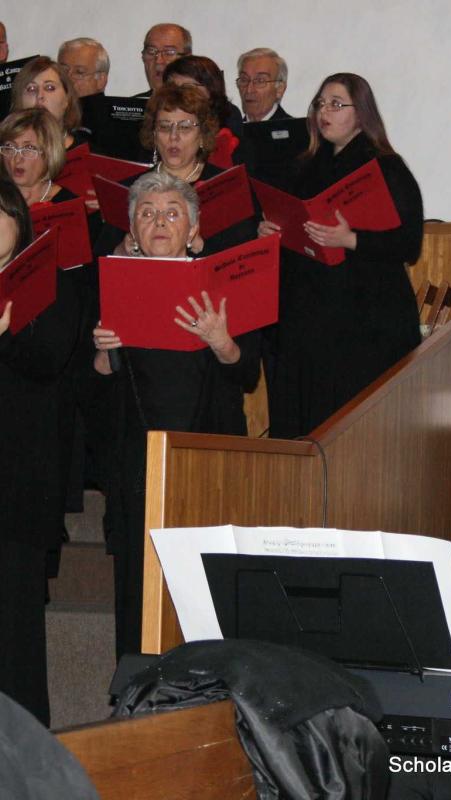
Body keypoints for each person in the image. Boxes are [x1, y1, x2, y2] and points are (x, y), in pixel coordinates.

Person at [92, 172, 260, 659]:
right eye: (146, 213)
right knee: (135, 582)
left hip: (205, 457)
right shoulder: (111, 284)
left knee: (204, 584)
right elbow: (94, 393)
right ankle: (135, 685)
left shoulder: (222, 283)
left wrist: (220, 340)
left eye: (171, 213)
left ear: (193, 228)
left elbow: (247, 373)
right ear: (132, 230)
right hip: (136, 462)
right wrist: (103, 354)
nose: (159, 221)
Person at [263, 73, 422, 439]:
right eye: (319, 104)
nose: (324, 112)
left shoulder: (385, 167)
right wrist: (271, 232)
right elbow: (291, 223)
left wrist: (351, 239)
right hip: (309, 319)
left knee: (351, 426)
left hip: (365, 323)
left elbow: (408, 244)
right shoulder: (304, 166)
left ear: (361, 112)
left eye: (336, 104)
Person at [0, 178, 79, 726]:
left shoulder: (44, 276)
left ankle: (24, 758)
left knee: (16, 634)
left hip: (16, 485)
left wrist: (5, 336)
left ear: (18, 220)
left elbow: (50, 361)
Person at [94, 83, 258, 259]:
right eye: (164, 126)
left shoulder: (229, 187)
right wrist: (122, 251)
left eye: (185, 127)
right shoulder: (129, 189)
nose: (174, 136)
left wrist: (202, 247)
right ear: (154, 134)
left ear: (202, 134)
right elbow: (98, 264)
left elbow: (246, 259)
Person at [163, 54, 243, 167]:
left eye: (187, 88)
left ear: (211, 90)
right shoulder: (158, 125)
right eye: (172, 88)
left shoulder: (228, 120)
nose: (178, 95)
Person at [10, 57, 85, 150]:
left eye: (49, 88)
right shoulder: (5, 155)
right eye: (31, 89)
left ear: (67, 99)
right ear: (19, 100)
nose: (39, 95)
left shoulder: (91, 159)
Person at [236, 47, 290, 123]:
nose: (249, 90)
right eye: (244, 80)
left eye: (260, 81)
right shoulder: (229, 133)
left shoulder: (298, 132)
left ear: (279, 89)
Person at [138, 23, 192, 95]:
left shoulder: (203, 105)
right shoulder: (130, 105)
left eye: (169, 52)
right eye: (151, 51)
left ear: (187, 59)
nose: (158, 61)